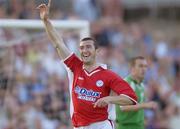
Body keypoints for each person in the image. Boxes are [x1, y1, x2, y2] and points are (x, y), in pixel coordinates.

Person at [37, 0, 137, 129]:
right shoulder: (74, 66)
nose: (85, 50)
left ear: (97, 51)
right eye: (82, 48)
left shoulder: (108, 75)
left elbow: (131, 98)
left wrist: (109, 99)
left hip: (101, 126)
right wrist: (46, 21)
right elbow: (58, 43)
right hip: (78, 126)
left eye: (88, 47)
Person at [116, 56, 158, 129]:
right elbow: (123, 108)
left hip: (139, 126)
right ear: (132, 68)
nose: (144, 69)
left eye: (145, 66)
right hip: (126, 126)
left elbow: (138, 105)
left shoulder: (141, 84)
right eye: (140, 66)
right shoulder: (127, 83)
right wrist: (145, 105)